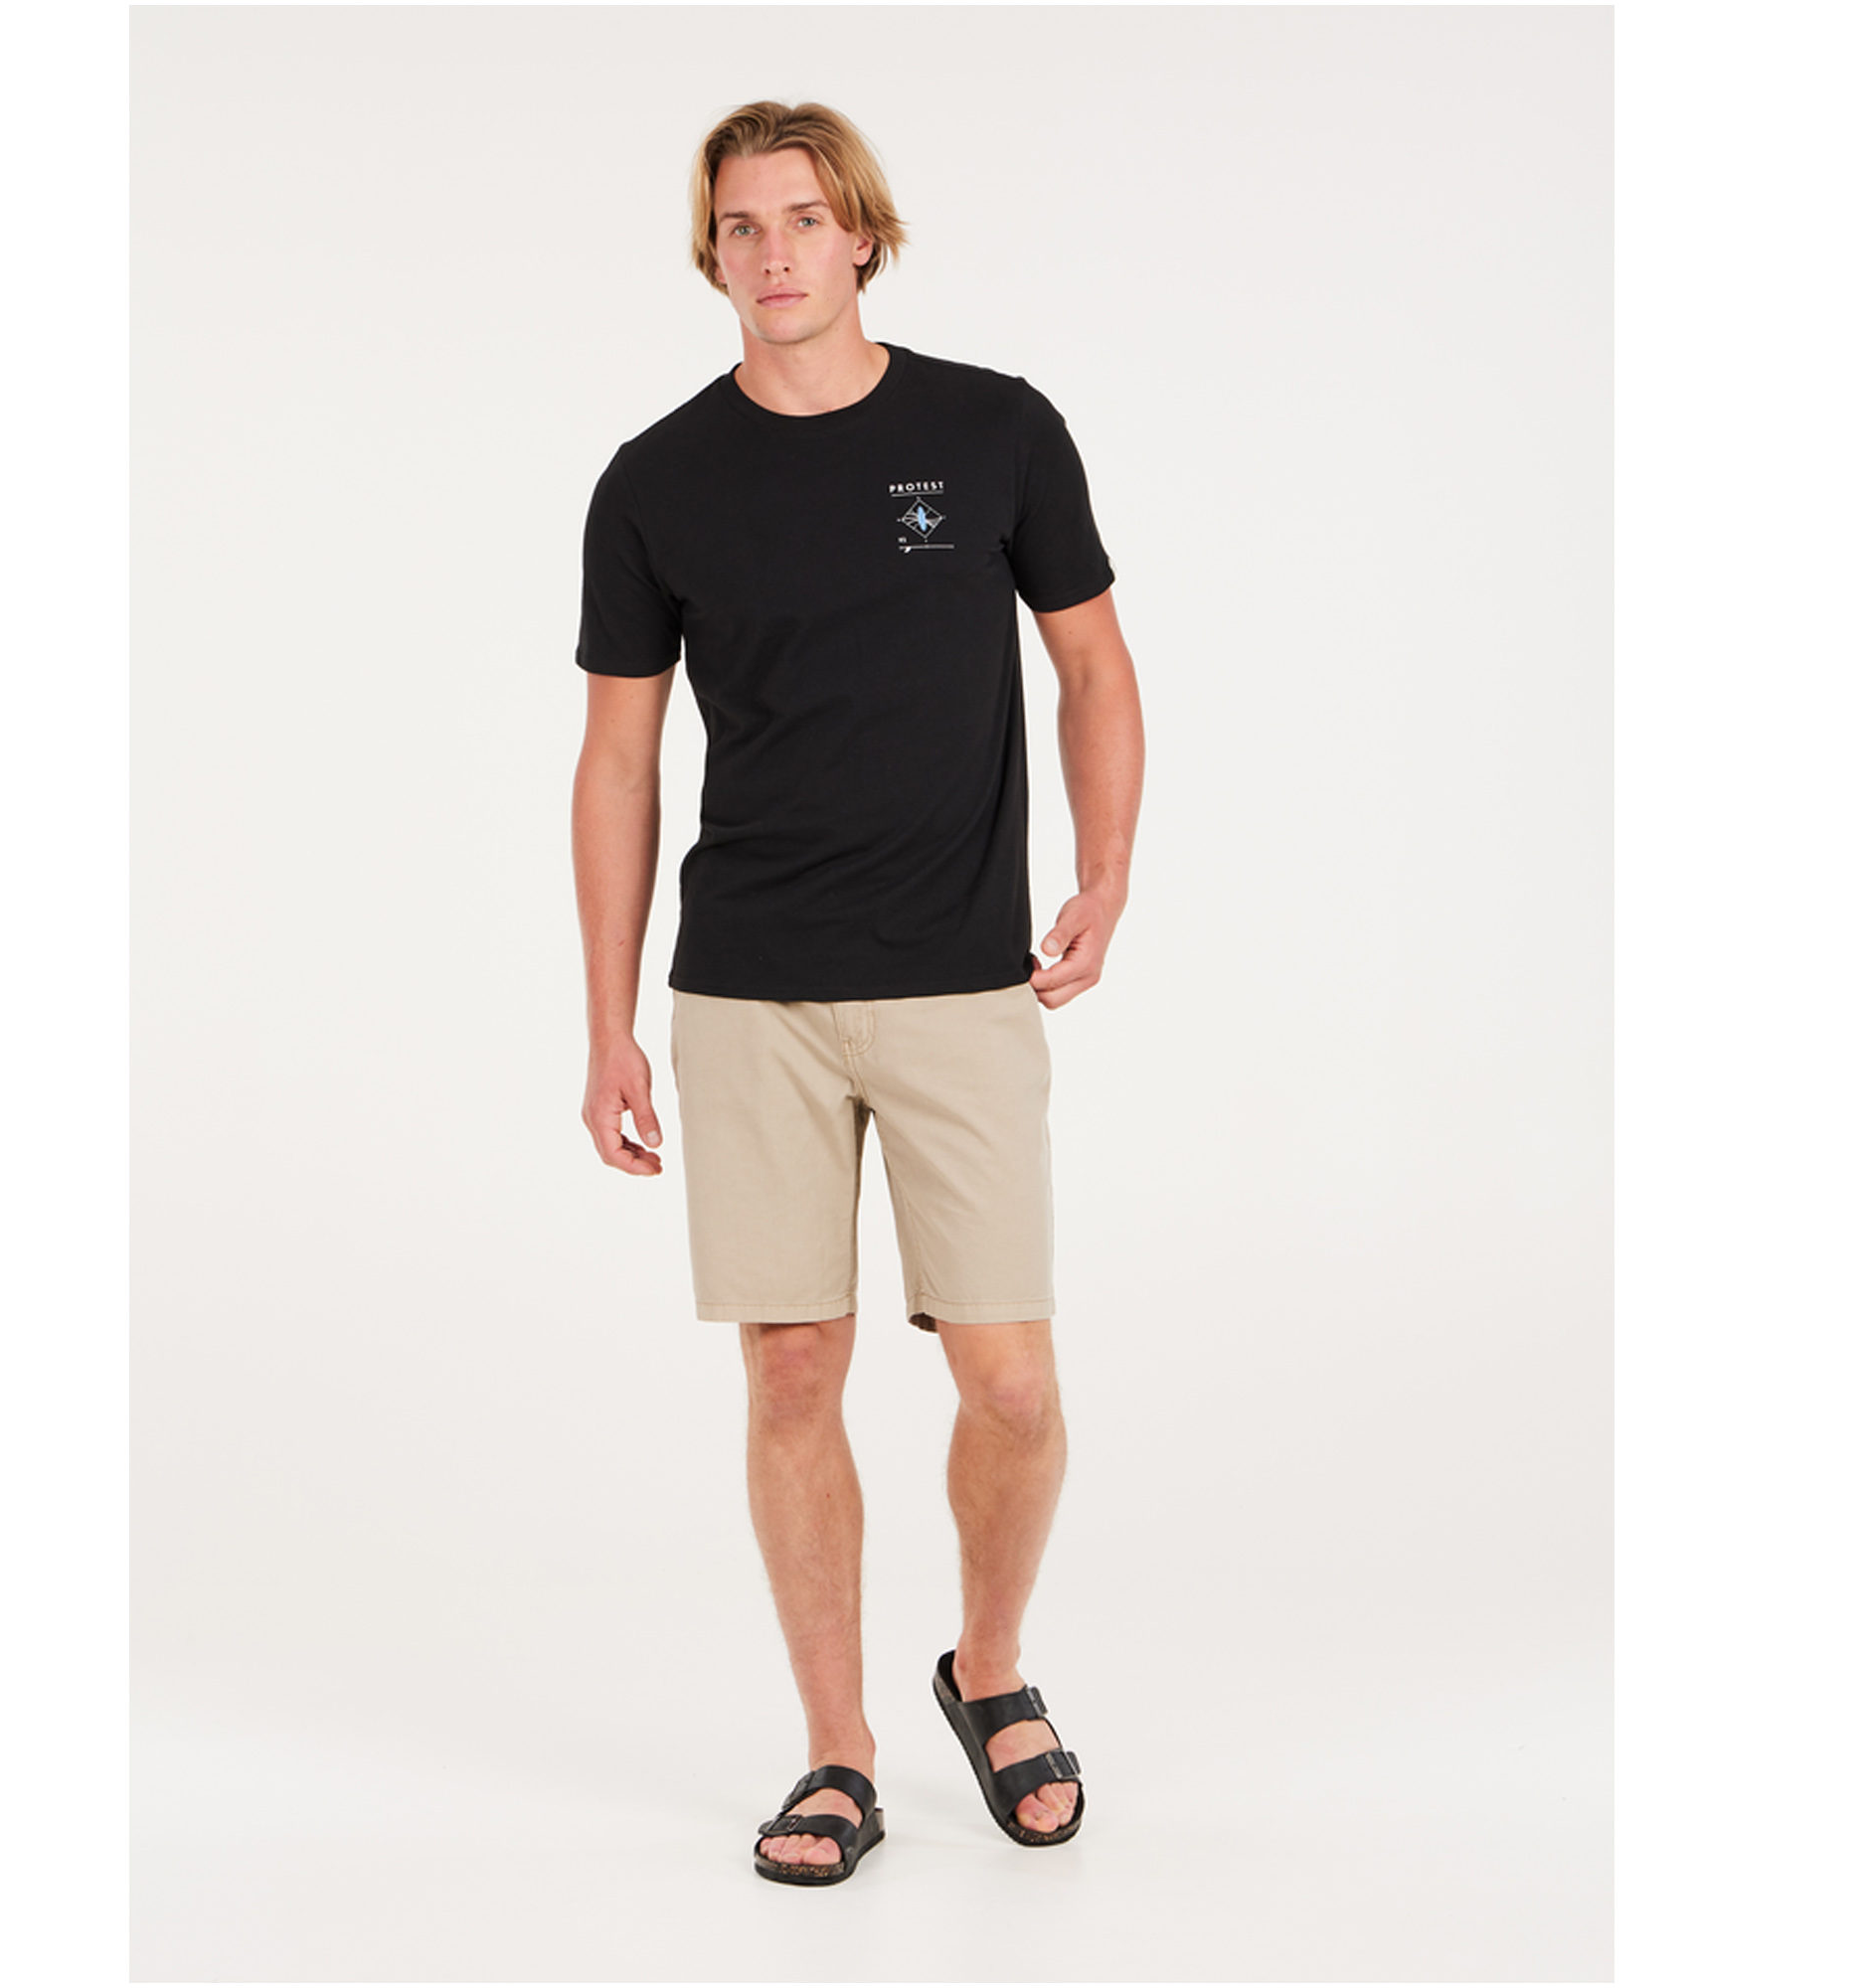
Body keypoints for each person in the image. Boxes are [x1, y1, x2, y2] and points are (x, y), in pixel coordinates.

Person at [571, 99, 1144, 1886]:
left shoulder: (996, 430)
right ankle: (838, 1752)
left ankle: (990, 1667)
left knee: (1013, 1383)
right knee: (791, 1373)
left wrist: (1107, 872)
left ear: (864, 235)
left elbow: (1094, 666)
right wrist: (605, 1021)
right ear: (711, 253)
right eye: (741, 227)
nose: (774, 254)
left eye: (804, 219)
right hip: (750, 992)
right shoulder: (656, 480)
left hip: (963, 979)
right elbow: (616, 763)